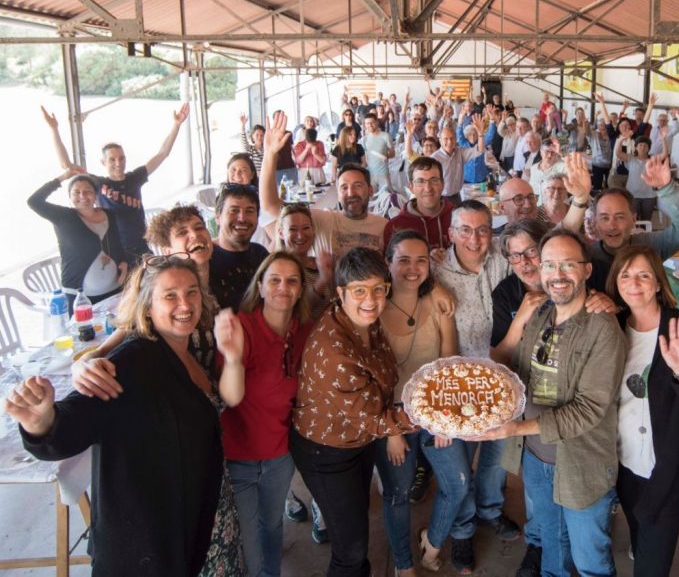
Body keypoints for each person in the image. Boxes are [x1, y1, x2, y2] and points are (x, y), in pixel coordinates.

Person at [4, 257, 245, 575]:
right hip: (160, 538)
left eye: (191, 292)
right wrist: (41, 422)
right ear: (147, 307)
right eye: (169, 295)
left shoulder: (190, 348)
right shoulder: (132, 361)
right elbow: (73, 424)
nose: (184, 304)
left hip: (207, 510)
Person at [485, 228, 627, 577]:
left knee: (590, 560)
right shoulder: (539, 315)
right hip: (535, 458)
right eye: (549, 265)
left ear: (587, 270)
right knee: (553, 547)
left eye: (567, 265)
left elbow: (589, 409)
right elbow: (516, 373)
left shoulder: (603, 329)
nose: (557, 275)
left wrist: (517, 426)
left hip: (581, 462)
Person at [290, 247, 416, 576]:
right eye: (360, 290)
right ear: (341, 292)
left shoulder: (363, 321)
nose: (371, 300)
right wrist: (434, 414)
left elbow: (383, 383)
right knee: (351, 548)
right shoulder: (335, 349)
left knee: (357, 521)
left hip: (358, 441)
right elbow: (374, 418)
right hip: (326, 452)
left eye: (378, 289)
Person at [608, 245, 679, 575]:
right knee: (640, 534)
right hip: (623, 465)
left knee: (652, 564)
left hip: (667, 472)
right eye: (625, 275)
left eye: (644, 275)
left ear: (659, 282)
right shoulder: (612, 326)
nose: (634, 283)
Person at [215, 252, 315, 577]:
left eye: (291, 281)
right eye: (274, 280)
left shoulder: (304, 331)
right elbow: (231, 397)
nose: (282, 288)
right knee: (249, 544)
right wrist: (232, 358)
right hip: (238, 458)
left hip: (280, 456)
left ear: (301, 289)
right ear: (260, 286)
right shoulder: (240, 328)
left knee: (272, 526)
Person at [433, 200, 519, 572]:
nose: (474, 238)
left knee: (497, 459)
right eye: (465, 230)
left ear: (492, 232)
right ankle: (464, 531)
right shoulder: (434, 270)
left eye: (482, 229)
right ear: (451, 234)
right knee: (463, 462)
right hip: (459, 385)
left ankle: (490, 510)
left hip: (502, 378)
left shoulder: (504, 259)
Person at [375, 231, 462, 576]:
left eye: (421, 260)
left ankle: (434, 539)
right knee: (397, 492)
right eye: (404, 260)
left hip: (432, 410)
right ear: (388, 263)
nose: (413, 268)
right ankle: (403, 562)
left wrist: (442, 419)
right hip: (392, 415)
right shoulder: (374, 307)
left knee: (457, 485)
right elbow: (371, 381)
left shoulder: (440, 303)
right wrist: (390, 429)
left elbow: (448, 365)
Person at [42, 103, 189, 262]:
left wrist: (176, 124)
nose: (118, 163)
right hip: (115, 251)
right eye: (112, 159)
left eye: (121, 158)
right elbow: (66, 165)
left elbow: (163, 153)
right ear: (103, 162)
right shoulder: (98, 183)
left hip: (141, 247)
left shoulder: (135, 178)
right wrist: (54, 129)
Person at [262, 111, 387, 255]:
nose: (351, 193)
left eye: (358, 186)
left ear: (371, 190)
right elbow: (271, 205)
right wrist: (269, 155)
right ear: (337, 194)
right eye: (344, 187)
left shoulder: (383, 226)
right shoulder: (323, 220)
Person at [588, 154, 679, 289]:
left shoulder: (650, 245)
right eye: (605, 218)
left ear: (633, 219)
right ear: (596, 222)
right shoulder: (587, 255)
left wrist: (667, 189)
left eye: (620, 217)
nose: (612, 226)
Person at [28, 168, 129, 307]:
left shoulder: (109, 214)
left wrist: (124, 263)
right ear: (70, 196)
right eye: (76, 192)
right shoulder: (62, 217)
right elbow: (34, 201)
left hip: (114, 290)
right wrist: (62, 177)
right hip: (80, 296)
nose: (82, 196)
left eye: (88, 191)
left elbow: (117, 244)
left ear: (95, 195)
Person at [210, 184, 270, 311]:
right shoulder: (207, 260)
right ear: (218, 217)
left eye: (249, 211)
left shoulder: (260, 254)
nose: (242, 218)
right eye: (234, 210)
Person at [384, 156, 455, 251]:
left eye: (434, 180)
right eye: (420, 181)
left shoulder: (458, 218)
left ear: (442, 184)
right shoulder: (396, 226)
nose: (428, 188)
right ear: (411, 187)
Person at [276, 203, 334, 319]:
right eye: (292, 229)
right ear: (281, 233)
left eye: (306, 228)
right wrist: (322, 281)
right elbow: (296, 309)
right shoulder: (279, 268)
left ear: (313, 230)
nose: (300, 235)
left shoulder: (319, 263)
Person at [433, 116, 489, 206]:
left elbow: (479, 150)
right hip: (441, 198)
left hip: (456, 196)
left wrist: (480, 134)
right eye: (446, 139)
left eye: (452, 138)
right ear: (440, 141)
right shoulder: (435, 158)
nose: (450, 142)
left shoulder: (460, 152)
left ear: (456, 140)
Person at [616, 135, 657, 221]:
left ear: (649, 148)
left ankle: (646, 234)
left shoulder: (652, 160)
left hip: (649, 196)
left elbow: (664, 154)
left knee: (646, 220)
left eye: (645, 145)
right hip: (633, 195)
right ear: (636, 147)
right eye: (640, 145)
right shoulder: (631, 159)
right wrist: (621, 139)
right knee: (632, 220)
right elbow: (618, 153)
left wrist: (664, 139)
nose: (642, 147)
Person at [360, 113, 394, 191]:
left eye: (372, 122)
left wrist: (386, 156)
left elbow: (393, 153)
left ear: (376, 122)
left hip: (383, 173)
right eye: (367, 123)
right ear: (365, 125)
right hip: (370, 174)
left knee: (387, 198)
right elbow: (364, 158)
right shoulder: (364, 139)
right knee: (372, 199)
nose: (370, 125)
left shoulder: (385, 136)